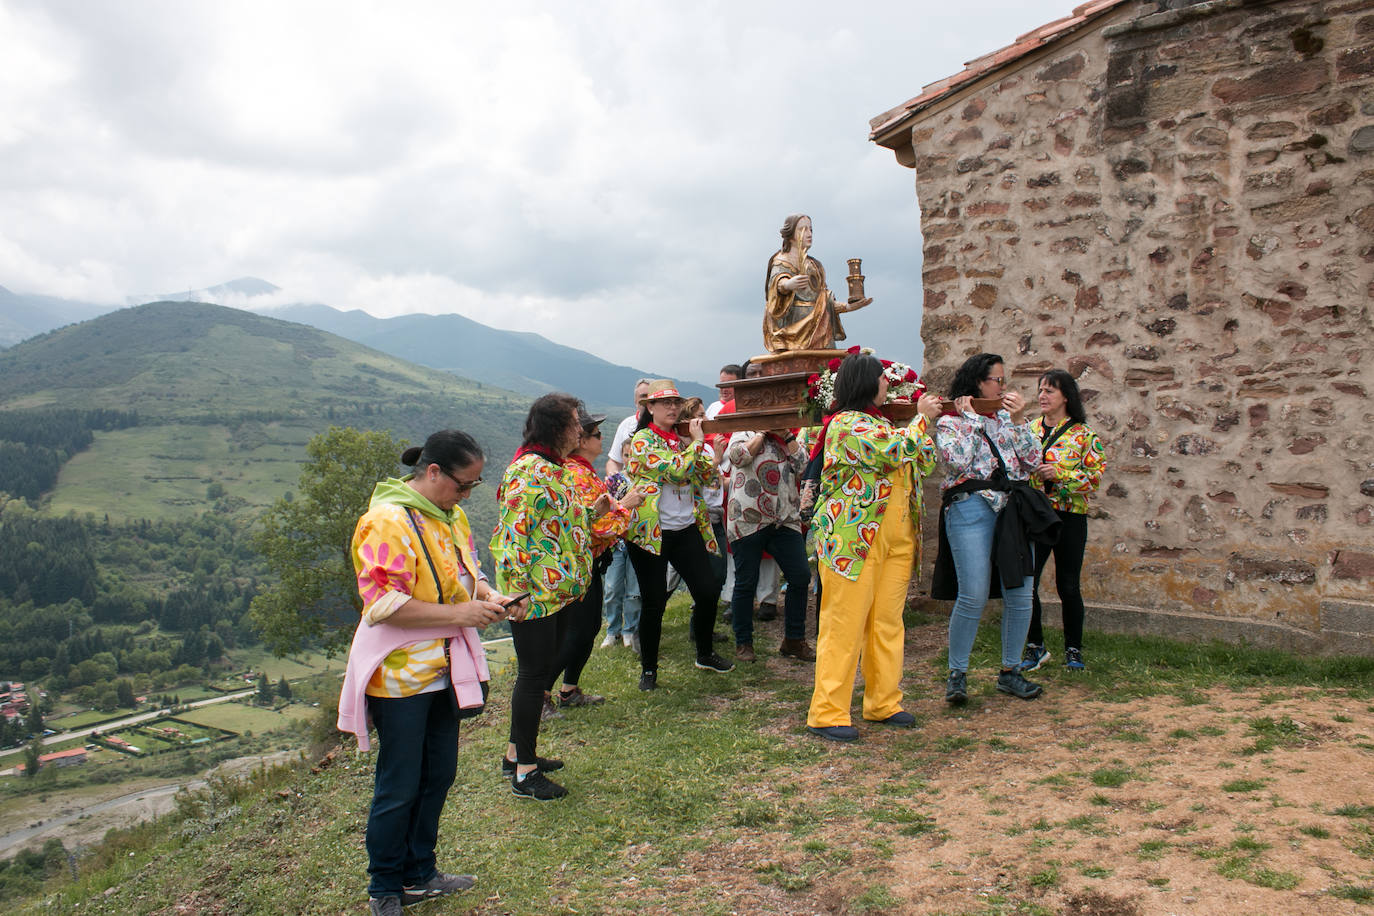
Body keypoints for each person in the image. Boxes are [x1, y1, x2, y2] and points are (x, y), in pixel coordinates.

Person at [337, 430, 514, 915]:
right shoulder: (385, 522)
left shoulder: (449, 515)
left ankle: (420, 872)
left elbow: (466, 571)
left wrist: (488, 595)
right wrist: (462, 616)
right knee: (399, 783)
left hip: (444, 667)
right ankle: (385, 888)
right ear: (433, 472)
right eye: (464, 485)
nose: (466, 495)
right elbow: (385, 605)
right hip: (400, 676)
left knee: (438, 774)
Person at [806, 354, 942, 741]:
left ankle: (883, 702)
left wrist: (917, 428)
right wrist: (920, 419)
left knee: (886, 623)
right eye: (883, 379)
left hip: (896, 537)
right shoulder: (847, 424)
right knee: (843, 625)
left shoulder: (883, 424)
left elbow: (923, 459)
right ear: (866, 383)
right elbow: (896, 451)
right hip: (854, 541)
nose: (888, 384)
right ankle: (828, 712)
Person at [930, 353, 1060, 707]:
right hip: (970, 507)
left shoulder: (1009, 419)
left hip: (1012, 511)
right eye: (997, 380)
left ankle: (1010, 671)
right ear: (978, 383)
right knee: (972, 593)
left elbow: (1033, 462)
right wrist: (972, 421)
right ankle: (957, 674)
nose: (1004, 387)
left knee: (1020, 592)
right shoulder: (950, 421)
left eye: (1004, 381)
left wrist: (1018, 421)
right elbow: (957, 461)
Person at [490, 393, 602, 801]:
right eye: (576, 422)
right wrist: (516, 594)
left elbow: (560, 522)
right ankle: (525, 774)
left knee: (536, 674)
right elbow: (510, 537)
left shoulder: (555, 469)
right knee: (533, 677)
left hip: (555, 592)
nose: (581, 428)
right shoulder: (528, 471)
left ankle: (514, 754)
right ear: (556, 428)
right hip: (534, 596)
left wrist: (597, 510)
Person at [624, 379, 734, 689]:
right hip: (651, 532)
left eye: (676, 403)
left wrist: (711, 455)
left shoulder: (678, 440)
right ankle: (649, 670)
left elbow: (704, 476)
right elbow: (676, 471)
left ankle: (705, 653)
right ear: (650, 408)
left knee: (708, 589)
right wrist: (698, 442)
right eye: (665, 403)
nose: (672, 408)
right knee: (654, 601)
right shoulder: (643, 440)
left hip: (685, 527)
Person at [548, 405, 645, 706]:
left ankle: (568, 690)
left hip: (590, 562)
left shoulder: (583, 472)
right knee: (578, 631)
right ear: (582, 441)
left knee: (588, 628)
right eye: (597, 434)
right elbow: (596, 526)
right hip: (580, 562)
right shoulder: (576, 475)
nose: (602, 438)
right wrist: (626, 506)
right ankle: (540, 695)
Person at [1023, 369, 1106, 672]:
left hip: (1070, 516)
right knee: (1026, 582)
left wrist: (1062, 475)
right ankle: (1035, 647)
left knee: (1068, 586)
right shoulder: (1029, 430)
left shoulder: (1085, 435)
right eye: (1041, 390)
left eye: (1050, 391)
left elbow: (1094, 478)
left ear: (1066, 397)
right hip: (1036, 517)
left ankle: (1073, 649)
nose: (1042, 396)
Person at [724, 421, 814, 663]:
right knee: (746, 582)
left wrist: (785, 434)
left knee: (800, 576)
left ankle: (793, 640)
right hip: (748, 516)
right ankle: (743, 643)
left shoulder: (789, 436)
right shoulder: (742, 431)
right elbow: (737, 457)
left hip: (784, 518)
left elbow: (804, 465)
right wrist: (762, 432)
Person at [764, 214, 871, 353]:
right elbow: (776, 282)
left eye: (811, 230)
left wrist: (848, 307)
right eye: (803, 229)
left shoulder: (815, 265)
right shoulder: (782, 260)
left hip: (820, 326)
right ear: (790, 235)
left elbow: (823, 301)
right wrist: (788, 284)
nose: (809, 234)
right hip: (794, 326)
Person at [602, 378, 652, 652]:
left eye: (648, 396)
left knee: (634, 588)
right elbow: (613, 459)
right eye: (640, 396)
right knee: (612, 587)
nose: (644, 401)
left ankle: (631, 629)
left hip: (642, 530)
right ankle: (612, 630)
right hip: (618, 538)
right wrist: (614, 478)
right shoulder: (626, 426)